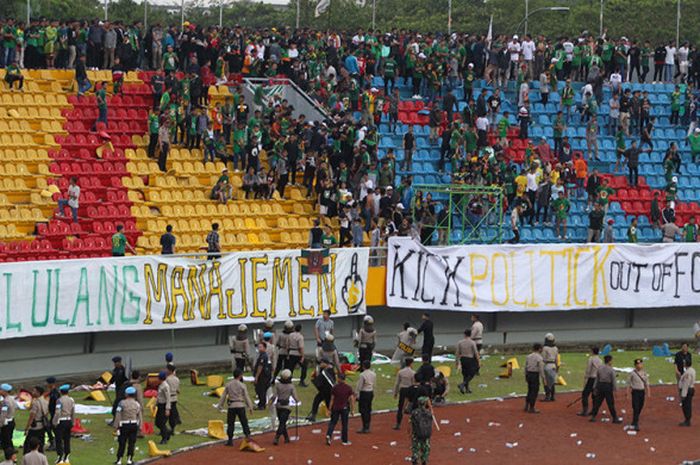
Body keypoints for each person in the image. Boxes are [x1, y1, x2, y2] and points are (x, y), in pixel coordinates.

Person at [217, 369, 254, 446]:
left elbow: (223, 396)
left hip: (232, 406)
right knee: (244, 422)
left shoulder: (228, 384)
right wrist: (250, 407)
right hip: (240, 405)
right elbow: (246, 397)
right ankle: (247, 437)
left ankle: (230, 440)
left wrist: (220, 406)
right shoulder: (242, 385)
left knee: (230, 423)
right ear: (240, 375)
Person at [113, 386, 142, 465]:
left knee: (122, 442)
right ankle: (129, 459)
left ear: (126, 394)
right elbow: (139, 415)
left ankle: (119, 460)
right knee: (132, 443)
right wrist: (140, 426)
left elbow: (118, 414)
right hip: (134, 424)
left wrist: (116, 425)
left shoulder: (121, 403)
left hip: (124, 425)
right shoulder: (137, 404)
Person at [325, 372, 355, 446]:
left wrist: (329, 409)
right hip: (344, 408)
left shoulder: (335, 388)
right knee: (344, 424)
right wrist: (352, 410)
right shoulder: (348, 388)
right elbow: (351, 399)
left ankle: (329, 434)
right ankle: (344, 440)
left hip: (335, 408)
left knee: (333, 422)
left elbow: (332, 399)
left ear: (339, 378)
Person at [589, 355, 621, 423]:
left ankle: (593, 416)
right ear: (609, 361)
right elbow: (613, 380)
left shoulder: (600, 368)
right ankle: (615, 418)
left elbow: (597, 378)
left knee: (597, 402)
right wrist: (616, 390)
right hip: (607, 386)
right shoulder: (611, 369)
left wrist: (595, 387)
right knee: (610, 403)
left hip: (600, 386)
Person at [271, 369, 298, 445]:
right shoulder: (291, 386)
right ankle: (277, 437)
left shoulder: (278, 385)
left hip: (279, 406)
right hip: (286, 407)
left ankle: (286, 438)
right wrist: (297, 400)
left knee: (282, 422)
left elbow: (274, 396)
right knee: (282, 423)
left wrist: (270, 402)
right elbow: (295, 396)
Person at [306, 358, 336, 422]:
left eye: (322, 363)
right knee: (317, 400)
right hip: (325, 390)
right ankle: (313, 415)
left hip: (327, 390)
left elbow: (321, 382)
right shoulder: (328, 370)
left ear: (325, 363)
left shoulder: (326, 372)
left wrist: (314, 379)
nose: (320, 364)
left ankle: (334, 416)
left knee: (327, 403)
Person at [52, 384, 74, 464]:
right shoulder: (71, 400)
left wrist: (54, 422)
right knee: (67, 439)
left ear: (61, 392)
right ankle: (67, 456)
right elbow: (73, 412)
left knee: (59, 439)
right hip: (68, 420)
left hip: (61, 421)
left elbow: (57, 412)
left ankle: (60, 457)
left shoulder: (59, 400)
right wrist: (73, 421)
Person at [578, 346, 603, 417]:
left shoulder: (591, 359)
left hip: (591, 378)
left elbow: (588, 370)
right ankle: (594, 410)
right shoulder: (600, 360)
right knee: (594, 395)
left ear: (592, 351)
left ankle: (585, 411)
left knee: (585, 394)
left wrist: (585, 378)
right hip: (597, 379)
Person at [627, 358, 650, 432]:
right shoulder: (632, 373)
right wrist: (627, 393)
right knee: (636, 407)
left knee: (640, 406)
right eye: (638, 364)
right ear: (635, 365)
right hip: (635, 392)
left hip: (642, 392)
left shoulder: (644, 373)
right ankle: (636, 423)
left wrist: (648, 392)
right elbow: (628, 384)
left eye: (640, 364)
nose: (639, 365)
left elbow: (647, 383)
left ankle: (634, 419)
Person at [409, 397, 433, 465]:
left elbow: (410, 424)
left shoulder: (414, 412)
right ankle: (424, 461)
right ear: (425, 403)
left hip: (416, 434)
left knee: (415, 448)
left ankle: (415, 460)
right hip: (426, 434)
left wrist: (410, 433)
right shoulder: (429, 413)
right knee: (425, 449)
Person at [393, 357, 416, 430]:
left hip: (403, 389)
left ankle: (398, 423)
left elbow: (397, 383)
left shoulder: (400, 372)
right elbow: (413, 383)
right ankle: (413, 423)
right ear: (411, 363)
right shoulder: (413, 373)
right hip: (410, 389)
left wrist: (395, 393)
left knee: (400, 407)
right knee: (412, 406)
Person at [23, 386, 47, 454]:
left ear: (38, 393)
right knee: (41, 444)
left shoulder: (36, 403)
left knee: (27, 445)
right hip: (42, 426)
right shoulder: (45, 401)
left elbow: (31, 417)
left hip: (35, 426)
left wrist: (26, 428)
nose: (32, 392)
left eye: (34, 391)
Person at [455, 329, 480, 395]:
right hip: (470, 359)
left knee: (465, 374)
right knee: (472, 373)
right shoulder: (472, 342)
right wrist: (478, 361)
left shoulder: (460, 342)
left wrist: (457, 362)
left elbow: (457, 353)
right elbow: (476, 352)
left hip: (463, 359)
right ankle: (462, 384)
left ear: (464, 334)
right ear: (470, 334)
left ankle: (466, 388)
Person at [355, 360, 376, 434]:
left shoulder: (362, 375)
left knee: (363, 410)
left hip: (364, 393)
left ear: (363, 366)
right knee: (368, 409)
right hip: (370, 392)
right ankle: (367, 426)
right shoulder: (373, 374)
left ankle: (364, 426)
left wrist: (357, 395)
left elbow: (360, 386)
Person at [524, 343, 545, 413]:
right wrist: (543, 378)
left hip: (529, 374)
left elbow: (525, 367)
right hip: (535, 374)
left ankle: (526, 405)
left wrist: (526, 375)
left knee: (529, 390)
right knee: (534, 391)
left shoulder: (528, 356)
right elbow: (541, 369)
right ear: (539, 349)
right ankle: (532, 407)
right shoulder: (539, 358)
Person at [254, 342, 272, 410]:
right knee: (260, 390)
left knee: (261, 390)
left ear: (264, 348)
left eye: (260, 347)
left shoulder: (263, 356)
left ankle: (262, 405)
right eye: (258, 347)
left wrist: (257, 376)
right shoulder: (262, 355)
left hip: (262, 376)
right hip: (265, 376)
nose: (259, 348)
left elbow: (260, 367)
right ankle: (261, 403)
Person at [155, 371, 171, 444]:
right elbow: (159, 396)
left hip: (164, 406)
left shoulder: (165, 386)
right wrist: (156, 403)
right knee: (157, 422)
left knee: (161, 423)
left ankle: (164, 438)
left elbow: (168, 398)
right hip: (160, 405)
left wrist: (167, 409)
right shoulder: (160, 385)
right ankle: (167, 432)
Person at [542, 333, 559, 401]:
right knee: (552, 381)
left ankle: (547, 396)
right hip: (553, 365)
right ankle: (552, 396)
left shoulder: (545, 348)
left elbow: (543, 358)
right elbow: (557, 359)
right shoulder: (555, 348)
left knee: (546, 381)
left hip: (547, 364)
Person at [678, 359, 695, 426]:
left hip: (687, 390)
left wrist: (683, 395)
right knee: (688, 405)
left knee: (686, 406)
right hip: (690, 389)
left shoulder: (688, 373)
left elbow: (686, 384)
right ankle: (687, 419)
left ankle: (687, 420)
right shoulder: (692, 370)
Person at [165, 364, 181, 434]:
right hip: (174, 398)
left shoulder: (167, 379)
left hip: (168, 398)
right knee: (173, 414)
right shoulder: (177, 379)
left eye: (166, 369)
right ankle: (172, 429)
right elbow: (178, 390)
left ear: (169, 370)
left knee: (166, 414)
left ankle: (164, 428)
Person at [0, 384, 15, 453]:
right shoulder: (11, 398)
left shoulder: (5, 401)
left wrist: (0, 423)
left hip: (6, 423)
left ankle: (10, 455)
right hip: (11, 421)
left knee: (6, 441)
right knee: (9, 439)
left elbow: (3, 414)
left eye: (1, 390)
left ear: (5, 391)